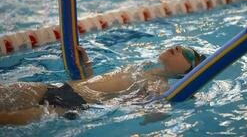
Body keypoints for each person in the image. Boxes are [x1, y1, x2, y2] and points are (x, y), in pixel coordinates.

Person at [0, 45, 206, 125]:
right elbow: (95, 82)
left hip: (71, 105)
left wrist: (151, 104)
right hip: (58, 87)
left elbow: (155, 114)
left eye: (186, 54)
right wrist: (85, 64)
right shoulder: (141, 66)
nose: (179, 48)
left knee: (6, 119)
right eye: (179, 46)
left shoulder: (159, 85)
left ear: (185, 73)